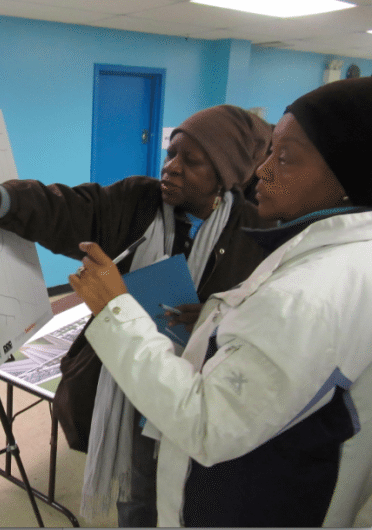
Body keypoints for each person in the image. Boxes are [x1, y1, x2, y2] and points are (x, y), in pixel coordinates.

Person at [0, 104, 273, 525]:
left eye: (191, 162)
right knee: (137, 493)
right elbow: (69, 208)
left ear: (224, 174)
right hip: (132, 389)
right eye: (171, 154)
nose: (171, 168)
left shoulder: (255, 231)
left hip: (202, 395)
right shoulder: (141, 201)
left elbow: (266, 317)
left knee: (193, 499)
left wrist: (215, 316)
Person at [66, 76, 372, 527]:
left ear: (349, 173)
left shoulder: (307, 295)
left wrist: (115, 310)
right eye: (269, 152)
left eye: (283, 158)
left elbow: (208, 422)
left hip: (246, 500)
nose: (263, 171)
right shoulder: (341, 257)